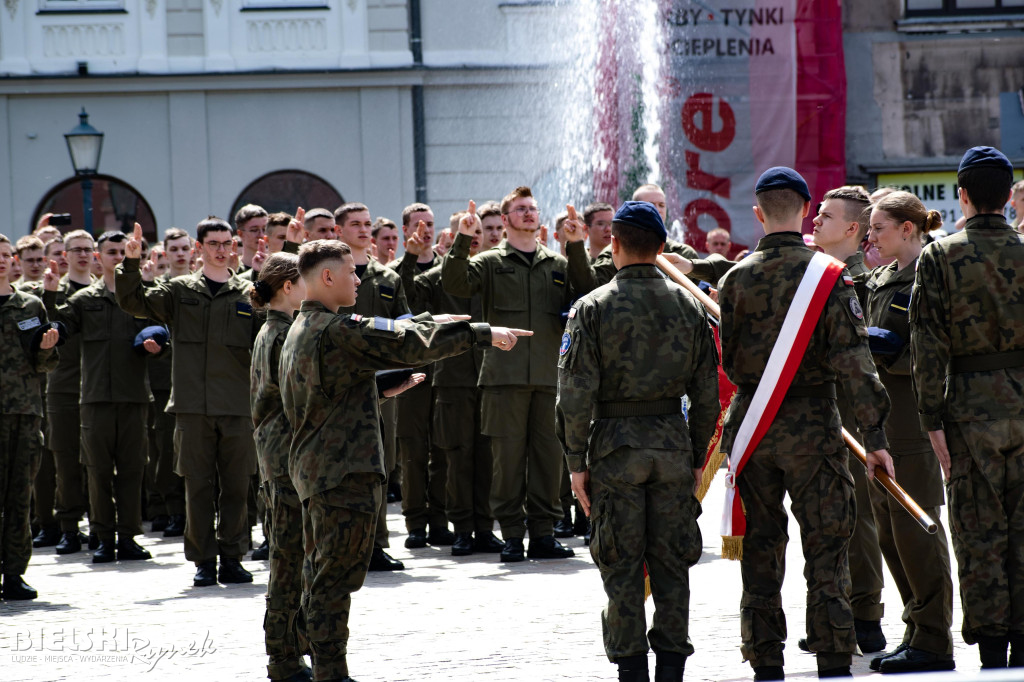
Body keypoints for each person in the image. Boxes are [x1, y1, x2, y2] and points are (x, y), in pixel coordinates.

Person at [279, 239, 529, 682]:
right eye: (351, 272)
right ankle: (329, 673)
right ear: (327, 278)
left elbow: (330, 390)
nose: (359, 279)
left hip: (320, 470)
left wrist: (429, 328)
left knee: (323, 574)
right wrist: (479, 334)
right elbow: (404, 342)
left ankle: (307, 663)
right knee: (335, 580)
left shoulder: (305, 328)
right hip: (341, 472)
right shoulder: (335, 329)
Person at [717, 167, 893, 680]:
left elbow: (728, 362)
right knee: (827, 543)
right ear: (804, 210)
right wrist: (875, 436)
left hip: (752, 425)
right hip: (815, 426)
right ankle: (834, 656)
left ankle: (765, 656)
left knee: (761, 548)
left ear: (758, 213)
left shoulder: (733, 278)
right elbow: (854, 363)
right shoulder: (829, 277)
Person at [557, 201, 719, 682]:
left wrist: (575, 462)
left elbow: (573, 395)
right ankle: (672, 668)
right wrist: (695, 457)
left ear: (614, 244)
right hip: (671, 447)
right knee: (672, 566)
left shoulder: (592, 307)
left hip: (613, 450)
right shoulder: (689, 304)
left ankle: (631, 670)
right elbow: (707, 394)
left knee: (621, 567)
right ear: (663, 248)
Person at [910, 146, 1024, 670]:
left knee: (978, 533)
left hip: (969, 409)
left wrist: (931, 419)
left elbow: (927, 346)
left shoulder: (940, 255)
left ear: (963, 194)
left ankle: (994, 644)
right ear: (1008, 197)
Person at [443, 187, 585, 562]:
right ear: (505, 220)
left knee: (548, 461)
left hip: (548, 379)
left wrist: (575, 245)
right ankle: (510, 535)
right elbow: (455, 284)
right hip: (503, 380)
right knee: (506, 464)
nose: (528, 213)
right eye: (520, 209)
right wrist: (463, 237)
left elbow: (588, 292)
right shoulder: (489, 262)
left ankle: (543, 534)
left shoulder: (557, 263)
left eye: (532, 208)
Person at [116, 219, 260, 587]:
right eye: (213, 243)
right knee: (197, 486)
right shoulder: (179, 291)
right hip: (192, 407)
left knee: (236, 486)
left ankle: (232, 557)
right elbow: (133, 302)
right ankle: (203, 561)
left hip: (237, 406)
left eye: (227, 242)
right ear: (199, 248)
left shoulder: (249, 292)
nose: (221, 249)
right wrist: (130, 264)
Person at [856, 191, 956, 674]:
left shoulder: (928, 276)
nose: (870, 236)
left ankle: (935, 639)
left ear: (908, 229)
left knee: (917, 529)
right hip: (880, 421)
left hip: (912, 421)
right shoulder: (880, 278)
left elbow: (934, 351)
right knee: (891, 535)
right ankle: (916, 627)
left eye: (878, 227)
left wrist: (886, 350)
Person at [803, 185, 888, 654]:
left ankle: (865, 617)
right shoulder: (815, 273)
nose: (815, 220)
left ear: (852, 228)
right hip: (820, 411)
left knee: (858, 521)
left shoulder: (862, 280)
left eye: (827, 216)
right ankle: (835, 614)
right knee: (830, 519)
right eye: (816, 213)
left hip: (853, 410)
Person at [44, 231, 160, 563]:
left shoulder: (142, 298)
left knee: (132, 469)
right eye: (112, 252)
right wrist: (50, 294)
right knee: (96, 471)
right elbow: (58, 328)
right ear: (99, 256)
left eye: (124, 252)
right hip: (95, 398)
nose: (118, 257)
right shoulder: (85, 300)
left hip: (134, 396)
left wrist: (157, 344)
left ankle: (128, 537)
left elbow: (164, 331)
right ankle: (103, 537)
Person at [399, 218, 502, 556]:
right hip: (454, 380)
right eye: (465, 233)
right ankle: (462, 529)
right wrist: (411, 258)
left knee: (487, 458)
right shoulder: (438, 276)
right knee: (457, 457)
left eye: (478, 233)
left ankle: (486, 528)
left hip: (491, 377)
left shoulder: (495, 272)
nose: (473, 239)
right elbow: (408, 301)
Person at [335, 202, 411, 570]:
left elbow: (405, 324)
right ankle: (347, 543)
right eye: (356, 224)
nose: (364, 230)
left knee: (380, 463)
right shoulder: (329, 275)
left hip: (383, 385)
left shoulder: (388, 278)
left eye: (368, 224)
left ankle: (377, 544)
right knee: (344, 465)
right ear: (339, 231)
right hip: (341, 384)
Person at [249, 253, 311, 682]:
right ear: (288, 286)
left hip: (281, 459)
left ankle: (293, 650)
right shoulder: (280, 334)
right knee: (288, 564)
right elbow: (301, 398)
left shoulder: (275, 330)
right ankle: (284, 658)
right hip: (286, 461)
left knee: (293, 560)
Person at [24, 230, 94, 554]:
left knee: (97, 463)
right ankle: (67, 526)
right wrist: (50, 295)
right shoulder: (54, 292)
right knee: (64, 461)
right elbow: (43, 330)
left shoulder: (102, 290)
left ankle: (99, 524)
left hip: (96, 387)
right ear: (65, 255)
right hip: (63, 387)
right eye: (76, 250)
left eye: (87, 249)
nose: (82, 255)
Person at [0, 232, 60, 600]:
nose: (3, 260)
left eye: (6, 255)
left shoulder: (30, 305)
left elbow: (45, 364)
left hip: (24, 411)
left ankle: (13, 573)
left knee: (20, 496)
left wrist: (46, 348)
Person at [234, 204, 269, 273]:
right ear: (240, 234)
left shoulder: (275, 267)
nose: (261, 235)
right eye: (254, 230)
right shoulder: (233, 268)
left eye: (264, 229)